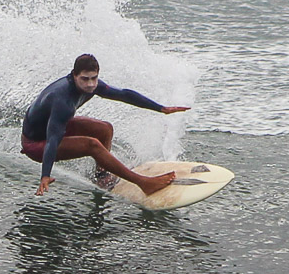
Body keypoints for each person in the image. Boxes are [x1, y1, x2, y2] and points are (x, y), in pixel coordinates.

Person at [21, 54, 190, 197]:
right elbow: (52, 140)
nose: (90, 84)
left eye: (94, 78)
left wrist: (161, 108)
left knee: (104, 129)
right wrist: (45, 175)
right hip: (36, 144)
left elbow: (123, 94)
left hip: (52, 127)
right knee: (92, 145)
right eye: (84, 79)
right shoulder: (61, 101)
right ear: (74, 75)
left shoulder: (93, 86)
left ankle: (101, 175)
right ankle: (144, 183)